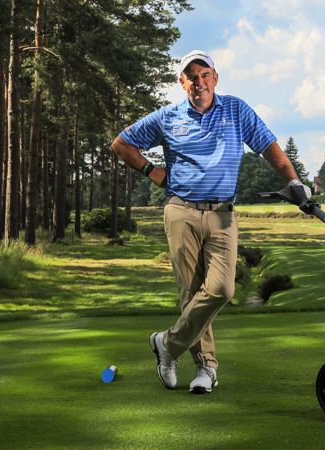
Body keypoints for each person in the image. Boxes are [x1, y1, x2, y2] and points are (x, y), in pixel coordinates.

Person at [111, 50, 308, 394]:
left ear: (215, 78)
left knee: (221, 289)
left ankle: (167, 345)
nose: (199, 82)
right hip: (180, 211)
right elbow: (121, 143)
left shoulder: (236, 110)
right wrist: (152, 171)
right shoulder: (168, 117)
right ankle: (207, 369)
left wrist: (295, 182)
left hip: (222, 215)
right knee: (191, 292)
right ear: (181, 82)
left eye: (205, 75)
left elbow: (271, 150)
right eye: (191, 76)